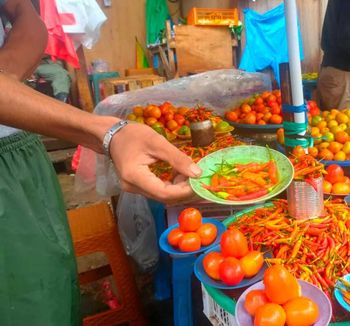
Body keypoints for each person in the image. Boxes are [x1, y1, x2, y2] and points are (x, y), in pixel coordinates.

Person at [0, 0, 201, 325]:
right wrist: (107, 133)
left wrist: (4, 78)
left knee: (48, 293)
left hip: (21, 155)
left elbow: (26, 15)